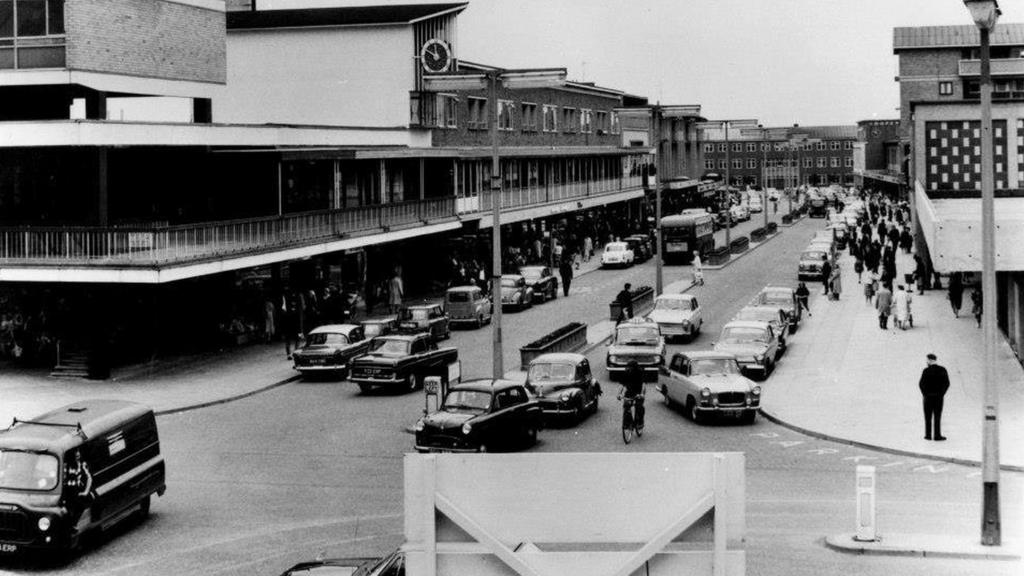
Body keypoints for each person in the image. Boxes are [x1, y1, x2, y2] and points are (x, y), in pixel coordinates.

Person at [918, 353, 950, 441]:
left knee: (927, 416)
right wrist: (941, 394)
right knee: (937, 416)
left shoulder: (926, 371)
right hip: (938, 398)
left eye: (927, 360)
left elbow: (921, 384)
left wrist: (925, 394)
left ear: (930, 360)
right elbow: (946, 383)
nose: (926, 362)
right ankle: (937, 435)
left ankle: (928, 435)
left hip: (928, 398)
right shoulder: (942, 369)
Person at [618, 360, 646, 431]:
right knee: (626, 407)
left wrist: (642, 394)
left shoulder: (640, 373)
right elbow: (622, 384)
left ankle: (640, 422)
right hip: (629, 392)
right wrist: (619, 394)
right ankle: (627, 423)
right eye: (628, 367)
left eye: (630, 367)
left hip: (638, 392)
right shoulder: (626, 373)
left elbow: (643, 384)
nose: (629, 369)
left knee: (639, 406)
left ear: (634, 368)